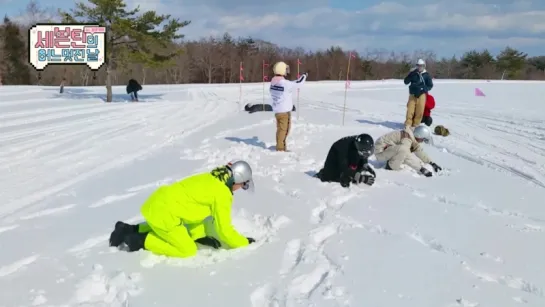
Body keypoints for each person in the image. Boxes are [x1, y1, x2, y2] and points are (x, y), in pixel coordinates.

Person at [108, 160, 256, 258]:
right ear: (237, 179)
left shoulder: (212, 178)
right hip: (164, 215)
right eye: (243, 184)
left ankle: (129, 229)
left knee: (168, 227)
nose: (241, 188)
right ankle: (139, 240)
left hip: (157, 203)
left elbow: (193, 208)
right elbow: (224, 230)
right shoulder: (222, 194)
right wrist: (243, 243)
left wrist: (199, 235)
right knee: (187, 250)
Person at [374, 125, 442, 177]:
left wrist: (432, 163)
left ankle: (392, 161)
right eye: (422, 139)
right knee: (403, 150)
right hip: (380, 152)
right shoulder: (407, 139)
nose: (422, 141)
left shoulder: (412, 136)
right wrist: (421, 169)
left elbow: (420, 151)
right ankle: (391, 167)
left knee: (402, 151)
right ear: (419, 136)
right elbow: (406, 155)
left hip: (388, 150)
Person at [269, 61, 308, 151]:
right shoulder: (284, 83)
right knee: (284, 130)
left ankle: (281, 146)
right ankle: (280, 148)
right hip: (284, 112)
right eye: (285, 69)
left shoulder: (274, 82)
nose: (287, 71)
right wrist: (304, 76)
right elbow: (299, 83)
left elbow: (291, 83)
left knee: (280, 130)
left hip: (278, 111)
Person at [403, 59, 433, 129]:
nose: (420, 67)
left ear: (424, 66)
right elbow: (406, 82)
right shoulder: (413, 73)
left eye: (421, 66)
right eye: (418, 66)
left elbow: (430, 85)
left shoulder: (426, 75)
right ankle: (408, 124)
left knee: (420, 110)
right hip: (412, 94)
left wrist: (424, 89)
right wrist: (410, 74)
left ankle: (416, 124)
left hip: (422, 95)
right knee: (410, 110)